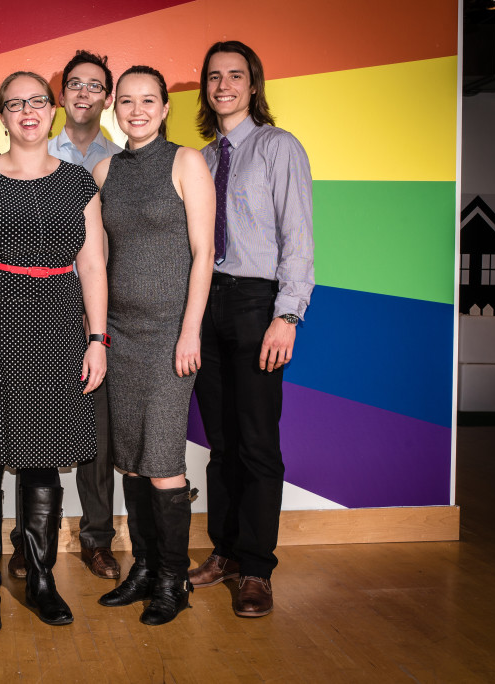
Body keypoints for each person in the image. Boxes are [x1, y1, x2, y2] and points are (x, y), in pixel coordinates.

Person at [0, 71, 108, 633]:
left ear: (53, 108)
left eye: (38, 100)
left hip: (58, 331)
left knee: (43, 460)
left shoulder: (79, 185)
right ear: (2, 114)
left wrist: (96, 339)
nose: (28, 111)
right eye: (15, 104)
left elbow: (92, 266)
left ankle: (41, 578)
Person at [189, 40, 314, 618]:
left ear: (253, 84)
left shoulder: (278, 147)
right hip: (207, 304)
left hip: (258, 303)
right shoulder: (202, 159)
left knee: (259, 442)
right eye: (214, 77)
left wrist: (286, 316)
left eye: (235, 76)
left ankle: (258, 569)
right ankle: (227, 553)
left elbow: (298, 238)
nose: (223, 85)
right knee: (221, 445)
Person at [92, 65, 216, 626]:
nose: (136, 110)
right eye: (126, 101)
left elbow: (204, 253)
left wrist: (190, 330)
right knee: (132, 463)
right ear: (114, 108)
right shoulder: (103, 170)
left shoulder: (187, 162)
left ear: (166, 108)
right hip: (120, 334)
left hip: (171, 334)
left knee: (163, 461)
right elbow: (93, 258)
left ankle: (172, 580)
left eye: (148, 101)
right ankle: (143, 568)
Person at [46, 50, 124, 581]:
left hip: (96, 308)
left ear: (107, 98)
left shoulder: (122, 161)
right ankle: (37, 536)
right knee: (40, 422)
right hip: (40, 305)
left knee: (96, 431)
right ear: (61, 94)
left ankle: (97, 538)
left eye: (94, 86)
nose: (82, 93)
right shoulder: (33, 152)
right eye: (74, 84)